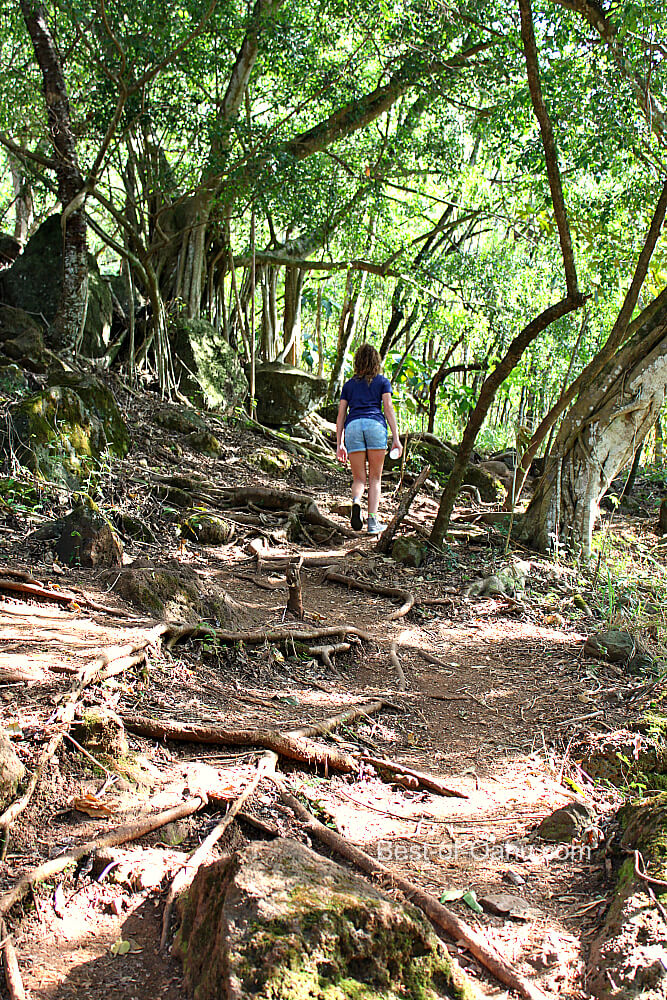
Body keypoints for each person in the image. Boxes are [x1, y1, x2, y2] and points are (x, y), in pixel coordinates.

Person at [336, 343, 403, 534]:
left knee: (359, 478)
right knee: (375, 478)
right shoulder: (382, 382)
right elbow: (388, 409)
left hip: (354, 426)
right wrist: (396, 438)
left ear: (357, 362)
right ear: (376, 362)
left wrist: (340, 443)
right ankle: (372, 522)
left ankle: (356, 502)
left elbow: (341, 415)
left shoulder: (348, 385)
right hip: (375, 426)